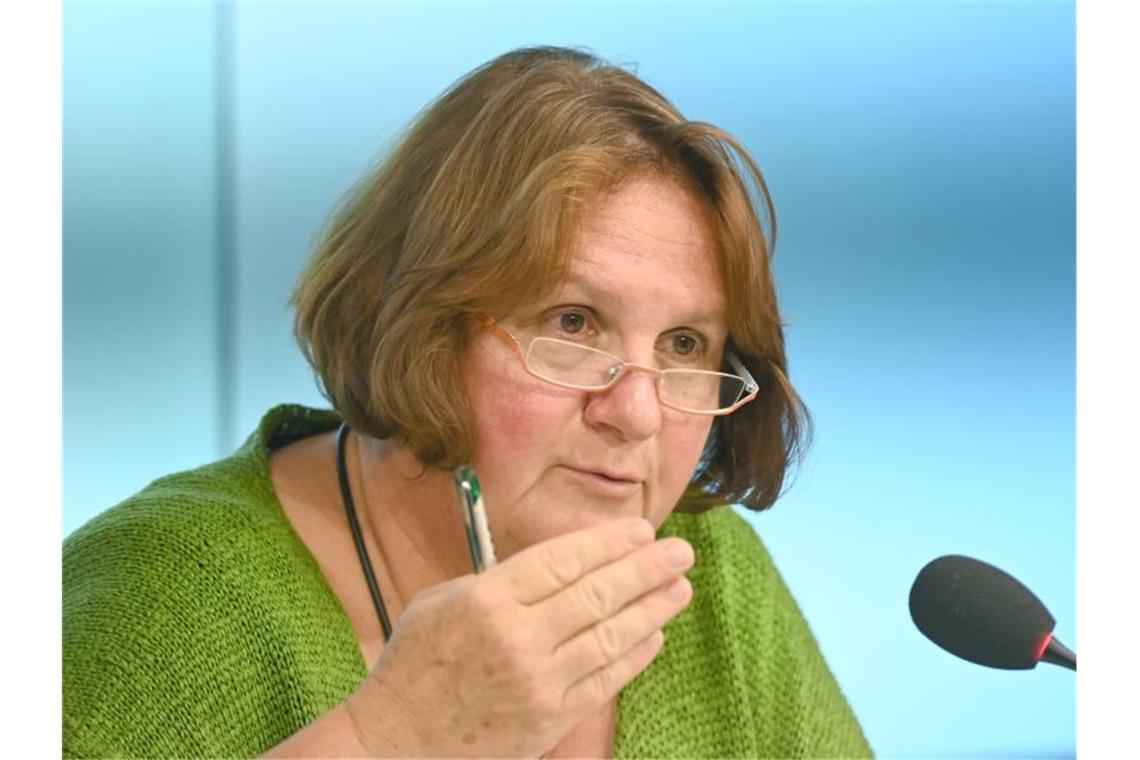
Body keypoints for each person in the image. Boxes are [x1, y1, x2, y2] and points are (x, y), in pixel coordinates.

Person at [63, 46, 872, 758]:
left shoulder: (704, 573)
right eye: (574, 323)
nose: (638, 415)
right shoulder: (161, 594)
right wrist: (388, 742)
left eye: (685, 346)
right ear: (420, 323)